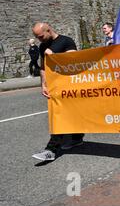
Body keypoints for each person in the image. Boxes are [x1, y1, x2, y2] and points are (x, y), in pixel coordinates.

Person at [31, 22, 84, 162]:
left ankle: (51, 150)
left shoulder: (66, 41)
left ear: (48, 30)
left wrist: (53, 55)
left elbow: (72, 62)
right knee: (64, 114)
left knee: (61, 115)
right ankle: (77, 138)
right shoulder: (43, 46)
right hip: (55, 88)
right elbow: (43, 67)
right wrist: (43, 85)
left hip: (69, 87)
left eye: (41, 36)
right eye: (37, 37)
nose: (39, 40)